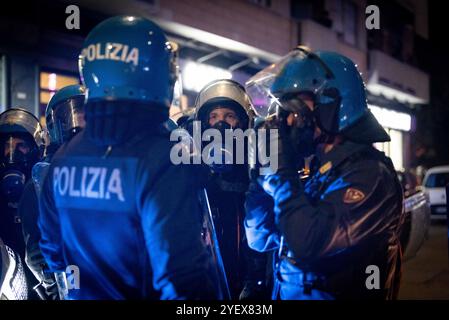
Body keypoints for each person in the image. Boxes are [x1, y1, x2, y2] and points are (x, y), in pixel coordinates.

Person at [38, 15, 221, 300]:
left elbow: (53, 251)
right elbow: (182, 279)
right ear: (153, 72)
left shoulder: (63, 158)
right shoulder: (162, 158)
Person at [244, 47, 405, 299]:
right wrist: (260, 183)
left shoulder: (371, 176)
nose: (287, 121)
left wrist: (282, 175)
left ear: (331, 105)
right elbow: (260, 238)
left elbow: (309, 243)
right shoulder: (321, 172)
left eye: (295, 108)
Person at [194, 79, 270, 299]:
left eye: (229, 116)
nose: (221, 124)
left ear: (242, 122)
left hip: (248, 270)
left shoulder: (255, 162)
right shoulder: (193, 162)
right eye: (214, 117)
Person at [17, 84, 86, 300]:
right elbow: (37, 252)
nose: (80, 125)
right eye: (71, 117)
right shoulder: (41, 180)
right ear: (57, 126)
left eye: (86, 116)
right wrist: (56, 291)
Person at [0, 108, 45, 260]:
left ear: (34, 151)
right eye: (7, 146)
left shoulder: (42, 192)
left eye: (21, 146)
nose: (12, 153)